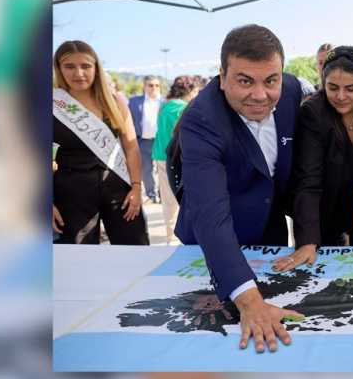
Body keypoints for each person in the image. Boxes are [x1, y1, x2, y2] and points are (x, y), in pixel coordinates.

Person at [174, 24, 304, 353]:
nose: (260, 95)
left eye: (270, 80)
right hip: (211, 241)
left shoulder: (290, 91)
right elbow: (210, 215)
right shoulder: (201, 120)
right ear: (222, 76)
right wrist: (248, 302)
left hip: (270, 231)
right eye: (245, 80)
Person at [273, 46, 353, 271]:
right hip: (322, 214)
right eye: (333, 88)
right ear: (322, 82)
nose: (340, 96)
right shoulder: (312, 113)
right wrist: (308, 241)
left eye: (351, 89)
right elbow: (308, 180)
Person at [51, 40, 148, 245]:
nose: (79, 73)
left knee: (134, 250)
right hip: (70, 193)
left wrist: (137, 187)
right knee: (78, 262)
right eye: (70, 66)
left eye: (86, 66)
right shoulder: (52, 103)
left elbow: (131, 146)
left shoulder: (114, 102)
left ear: (96, 67)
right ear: (59, 68)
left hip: (118, 187)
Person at [152, 76, 197, 242]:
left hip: (159, 154)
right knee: (180, 196)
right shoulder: (183, 108)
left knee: (167, 197)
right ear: (190, 91)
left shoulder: (164, 106)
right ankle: (178, 234)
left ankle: (170, 234)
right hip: (176, 158)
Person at [128, 76, 164, 203]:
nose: (154, 88)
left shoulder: (165, 102)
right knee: (146, 170)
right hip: (143, 141)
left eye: (156, 85)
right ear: (144, 86)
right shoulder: (134, 102)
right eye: (150, 85)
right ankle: (152, 195)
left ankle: (163, 194)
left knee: (162, 170)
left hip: (162, 142)